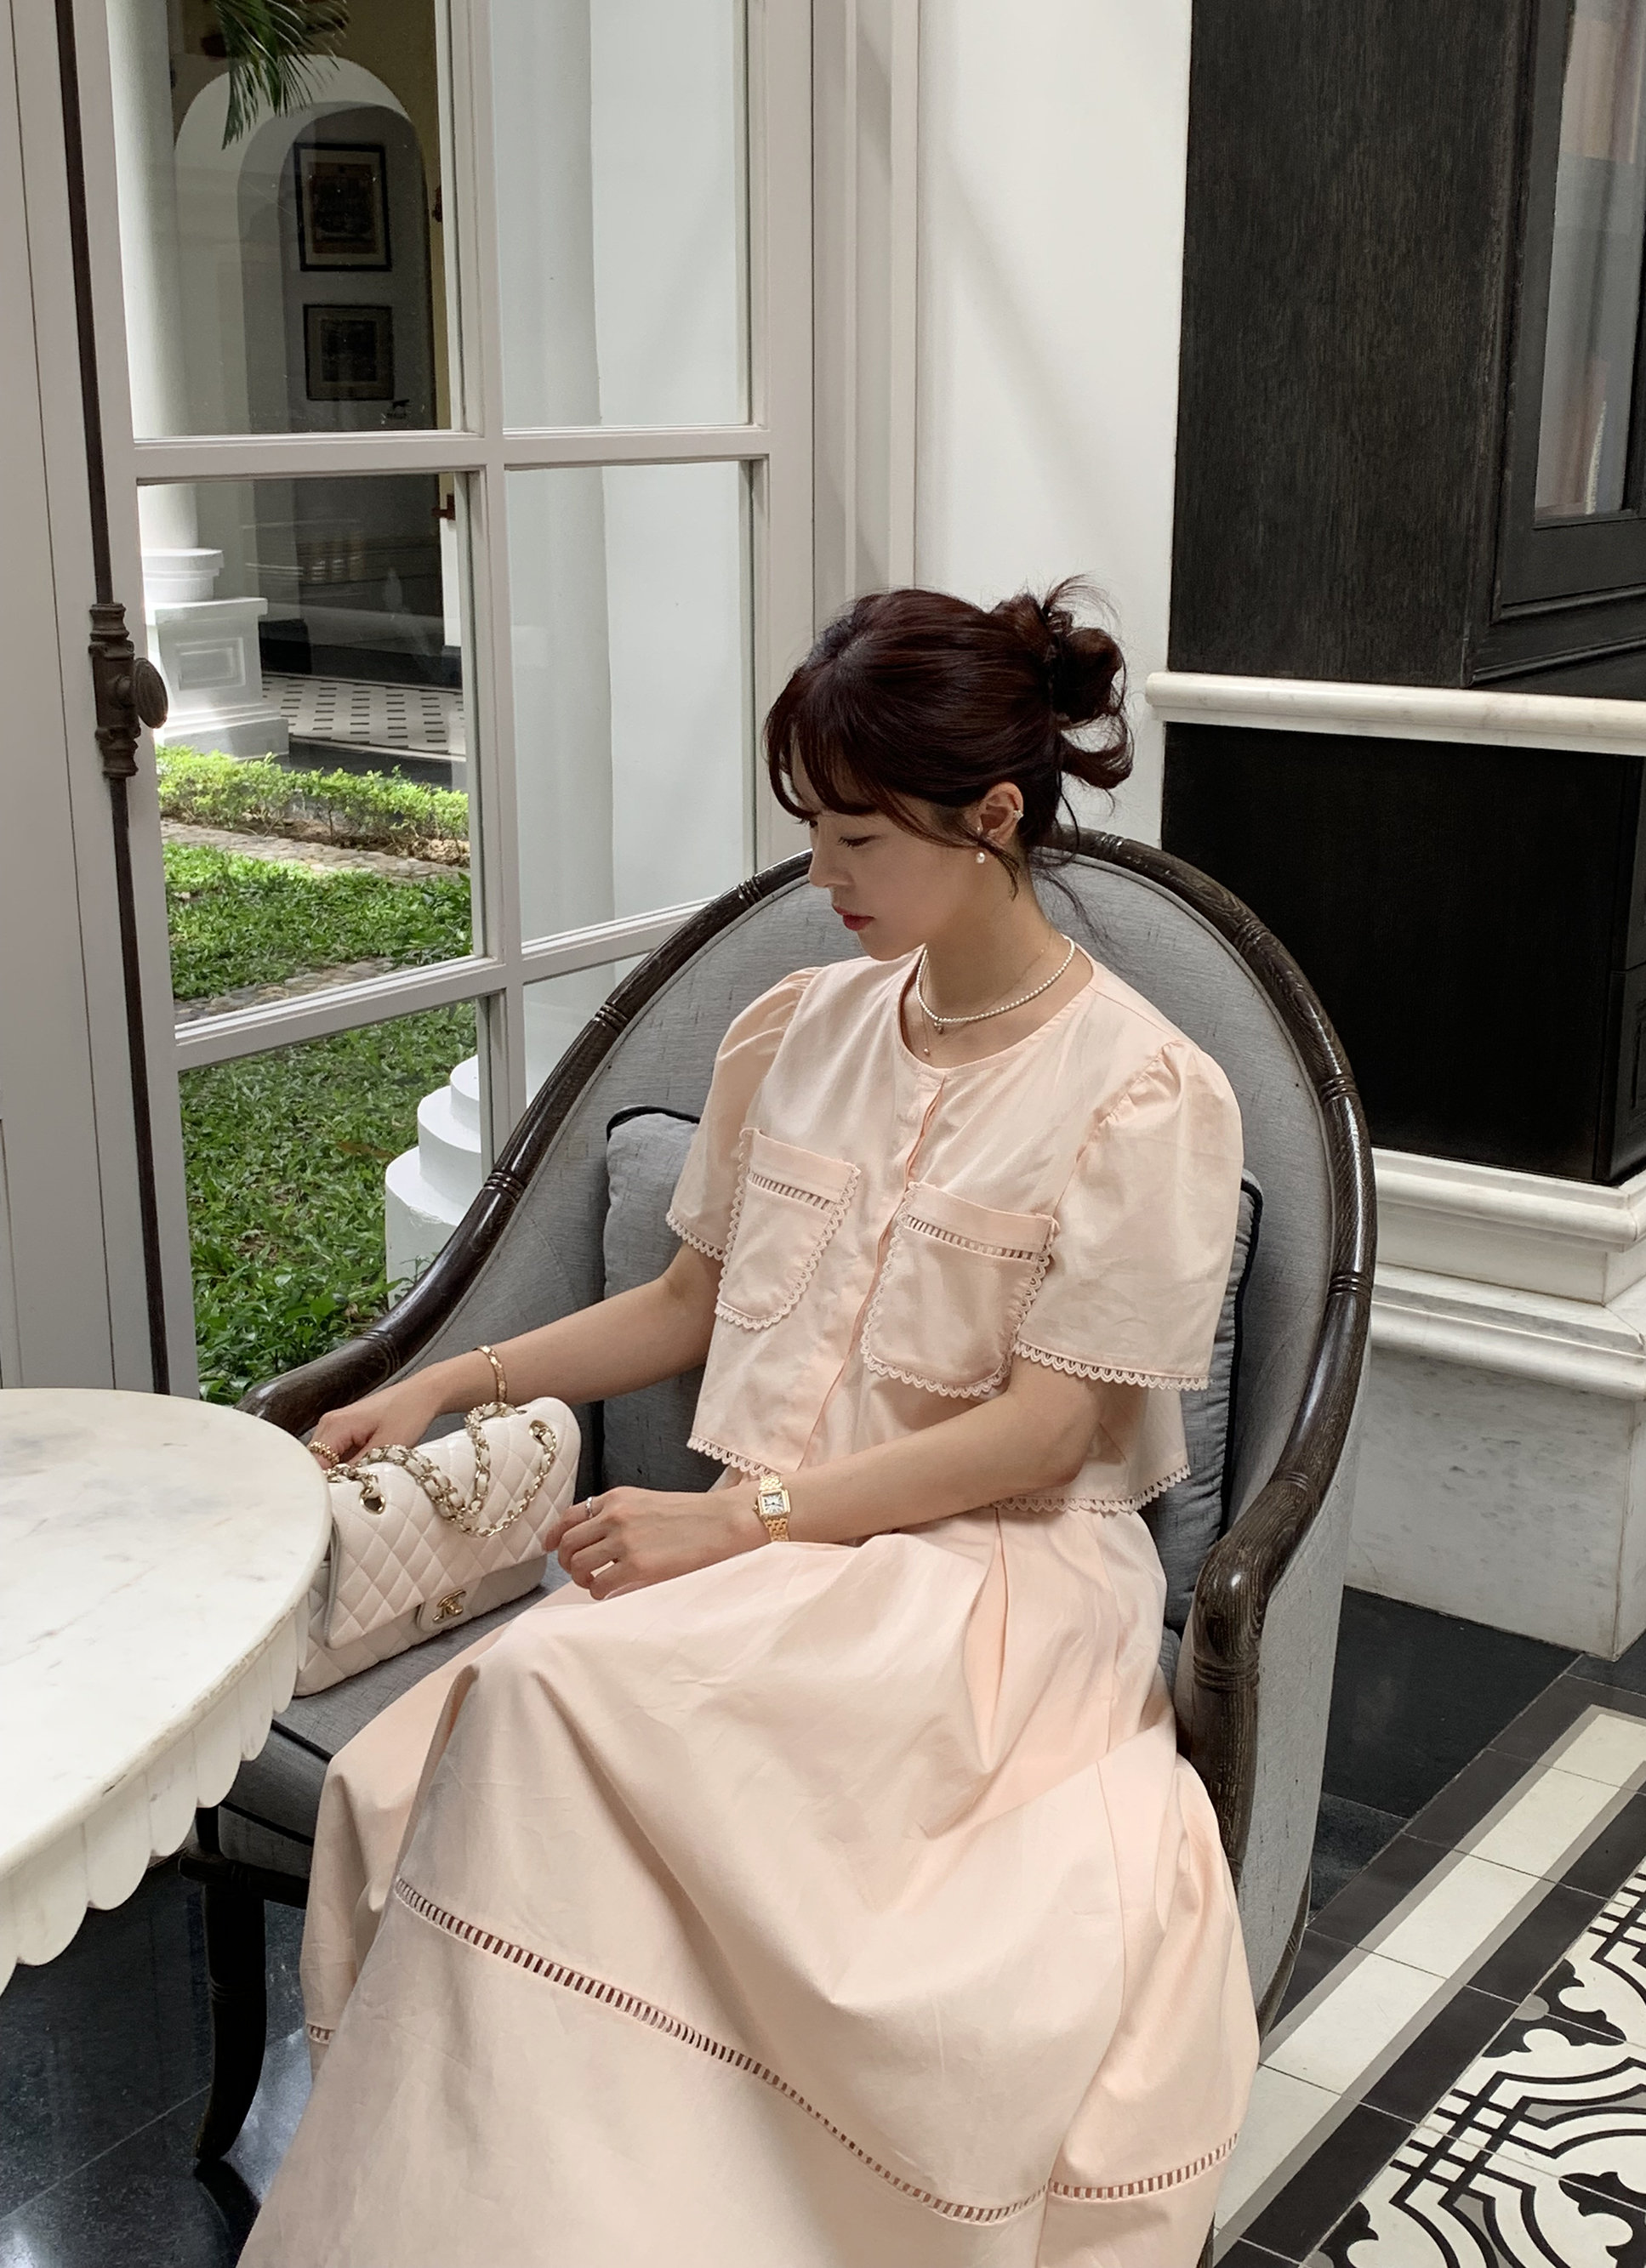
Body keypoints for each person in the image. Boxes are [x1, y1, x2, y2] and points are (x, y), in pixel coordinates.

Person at [241, 582, 1257, 2268]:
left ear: (994, 818)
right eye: (812, 831)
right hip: (777, 1555)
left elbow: (1043, 1437)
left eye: (857, 838)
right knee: (518, 1722)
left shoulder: (1143, 1094)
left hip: (988, 1582)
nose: (820, 877)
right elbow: (683, 1303)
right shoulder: (799, 1028)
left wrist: (737, 1515)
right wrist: (440, 1381)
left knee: (547, 1696)